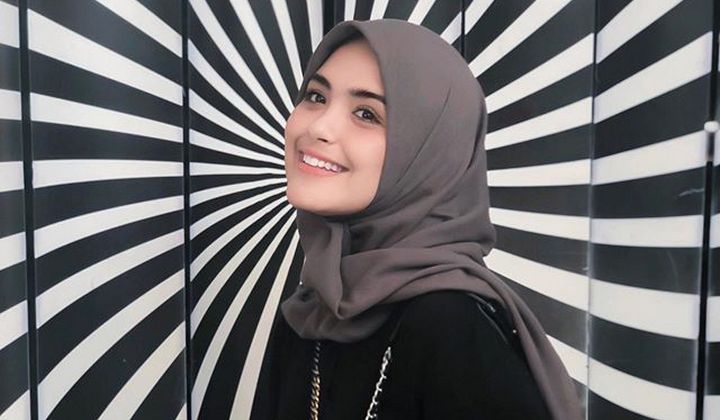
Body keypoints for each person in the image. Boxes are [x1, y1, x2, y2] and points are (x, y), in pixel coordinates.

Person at [255, 19, 582, 420]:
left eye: (366, 113)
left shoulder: (453, 331)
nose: (319, 126)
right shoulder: (309, 314)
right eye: (316, 96)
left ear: (428, 155)